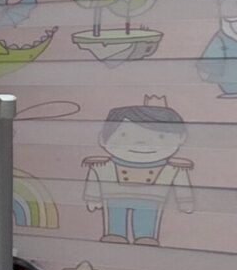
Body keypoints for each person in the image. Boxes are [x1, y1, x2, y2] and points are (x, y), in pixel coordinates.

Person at [82, 102, 195, 245]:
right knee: (115, 221)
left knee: (146, 224)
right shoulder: (102, 165)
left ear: (181, 138)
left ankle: (146, 237)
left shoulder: (172, 169)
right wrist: (93, 198)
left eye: (160, 136)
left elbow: (181, 184)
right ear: (102, 139)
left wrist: (185, 201)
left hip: (151, 201)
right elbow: (95, 177)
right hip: (114, 198)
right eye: (124, 135)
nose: (141, 143)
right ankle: (115, 234)